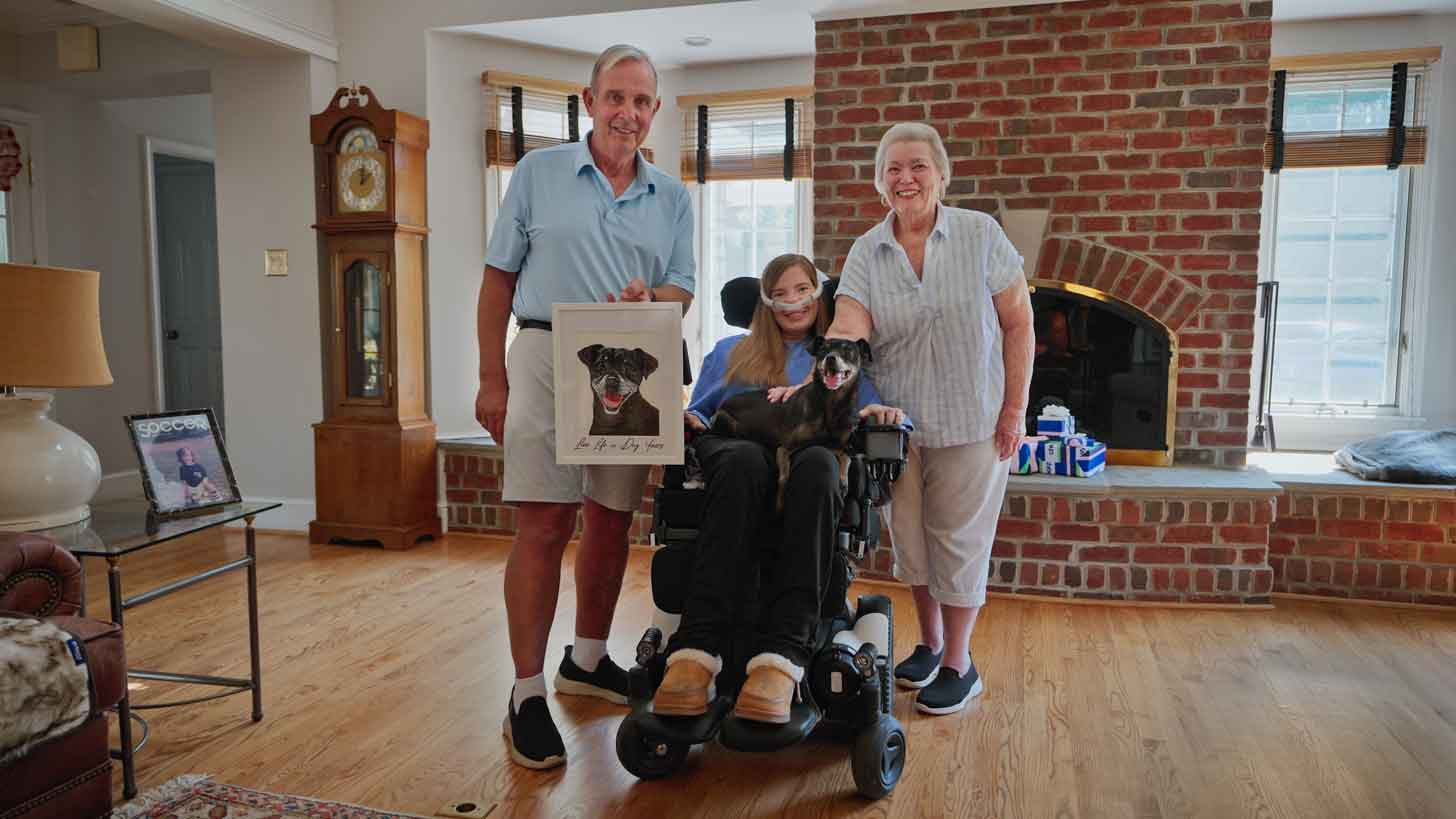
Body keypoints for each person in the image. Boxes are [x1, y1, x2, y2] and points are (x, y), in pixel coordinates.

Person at [475, 44, 695, 770]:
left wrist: (651, 298)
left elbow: (681, 289)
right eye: (615, 98)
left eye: (641, 101)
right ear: (589, 100)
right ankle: (527, 693)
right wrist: (491, 379)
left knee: (609, 518)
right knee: (543, 521)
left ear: (654, 112)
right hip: (543, 351)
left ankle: (589, 657)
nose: (627, 113)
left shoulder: (673, 196)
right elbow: (497, 282)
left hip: (631, 359)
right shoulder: (537, 173)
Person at [824, 122, 1035, 716]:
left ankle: (960, 665)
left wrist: (1014, 409)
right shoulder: (869, 249)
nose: (905, 178)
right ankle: (931, 642)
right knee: (911, 541)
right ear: (879, 182)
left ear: (941, 176)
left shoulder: (980, 235)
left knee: (959, 542)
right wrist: (829, 359)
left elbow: (1019, 322)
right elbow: (851, 321)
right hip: (897, 426)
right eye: (893, 168)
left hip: (974, 417)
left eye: (918, 166)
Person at [649, 253, 904, 725]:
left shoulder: (840, 357)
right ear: (765, 301)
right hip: (735, 454)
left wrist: (888, 416)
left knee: (819, 466)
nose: (792, 303)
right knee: (747, 460)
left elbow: (872, 412)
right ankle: (697, 649)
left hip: (807, 468)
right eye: (780, 293)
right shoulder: (729, 351)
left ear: (818, 294)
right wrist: (687, 419)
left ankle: (782, 657)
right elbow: (703, 412)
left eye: (802, 290)